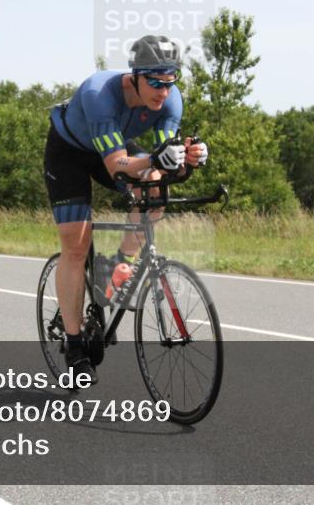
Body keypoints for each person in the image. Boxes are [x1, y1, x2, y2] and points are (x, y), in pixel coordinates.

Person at [43, 35, 209, 383]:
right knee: (76, 245)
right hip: (70, 153)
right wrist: (155, 159)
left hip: (114, 148)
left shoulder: (170, 102)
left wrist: (187, 161)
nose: (163, 91)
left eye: (170, 82)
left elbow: (162, 164)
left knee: (155, 188)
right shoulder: (99, 94)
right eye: (155, 82)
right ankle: (74, 346)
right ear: (134, 76)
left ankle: (118, 266)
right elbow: (116, 164)